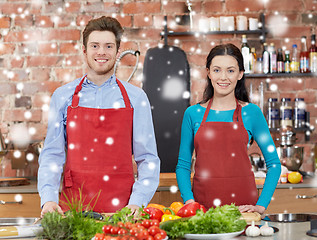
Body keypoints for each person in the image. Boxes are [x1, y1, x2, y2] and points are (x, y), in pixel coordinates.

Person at [37, 16, 160, 217]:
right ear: (84, 51)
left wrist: (137, 203)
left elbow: (148, 159)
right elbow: (52, 155)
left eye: (108, 46)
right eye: (95, 46)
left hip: (122, 211)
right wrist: (48, 199)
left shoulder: (136, 98)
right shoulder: (63, 96)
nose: (101, 52)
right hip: (73, 211)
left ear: (118, 51)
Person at [176, 43, 281, 214]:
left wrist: (261, 206)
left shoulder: (251, 113)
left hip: (244, 209)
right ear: (208, 73)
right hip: (203, 209)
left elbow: (274, 164)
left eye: (230, 71)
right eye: (217, 70)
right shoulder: (192, 114)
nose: (223, 77)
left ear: (240, 74)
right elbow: (182, 165)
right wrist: (190, 202)